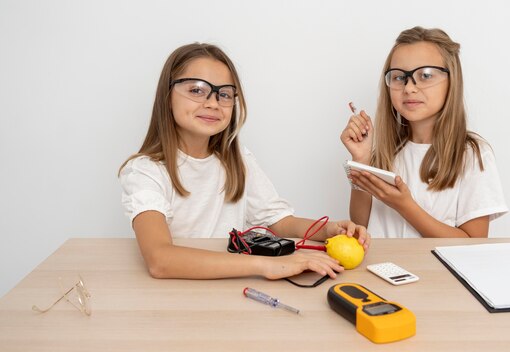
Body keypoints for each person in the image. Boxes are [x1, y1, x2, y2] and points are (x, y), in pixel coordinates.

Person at [119, 43, 370, 280]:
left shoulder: (237, 160)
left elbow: (280, 222)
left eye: (224, 94)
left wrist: (329, 231)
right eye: (196, 89)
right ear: (167, 95)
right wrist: (267, 266)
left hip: (232, 290)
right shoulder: (144, 170)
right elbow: (160, 260)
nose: (212, 103)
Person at [340, 26, 508, 238]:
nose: (409, 88)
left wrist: (405, 206)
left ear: (451, 81)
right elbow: (359, 226)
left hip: (433, 272)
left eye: (426, 75)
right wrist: (361, 160)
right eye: (399, 77)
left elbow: (473, 244)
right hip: (380, 269)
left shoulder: (473, 155)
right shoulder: (384, 153)